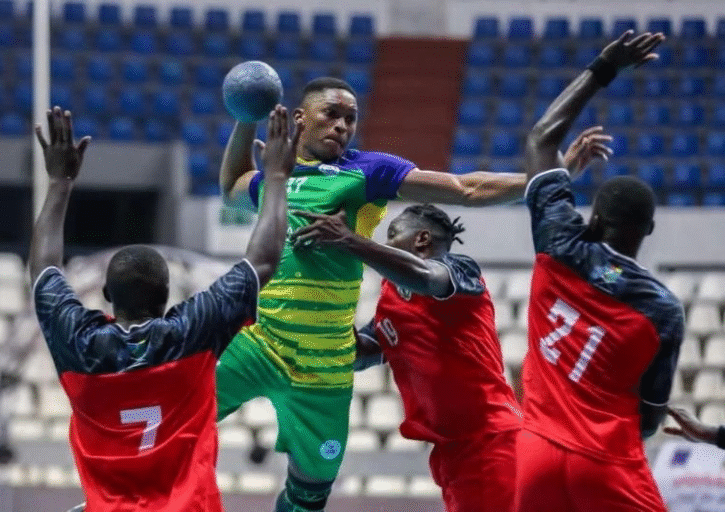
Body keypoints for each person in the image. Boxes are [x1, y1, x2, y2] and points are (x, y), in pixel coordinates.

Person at [217, 76, 599, 512]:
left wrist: (549, 176)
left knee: (308, 498)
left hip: (325, 366)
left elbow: (466, 189)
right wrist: (245, 120)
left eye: (351, 119)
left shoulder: (367, 170)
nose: (343, 126)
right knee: (174, 411)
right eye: (332, 115)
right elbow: (231, 185)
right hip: (260, 343)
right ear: (299, 119)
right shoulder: (276, 178)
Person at [30, 105, 300, 511]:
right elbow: (262, 261)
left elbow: (44, 270)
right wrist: (277, 177)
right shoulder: (192, 330)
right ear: (166, 296)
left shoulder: (78, 344)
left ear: (106, 294)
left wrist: (59, 182)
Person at [513, 30, 685, 512]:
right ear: (648, 229)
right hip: (607, 461)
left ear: (596, 217)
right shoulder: (662, 309)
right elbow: (650, 420)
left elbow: (541, 137)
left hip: (537, 452)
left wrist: (602, 68)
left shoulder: (559, 240)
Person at [289, 203, 524, 512]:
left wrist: (350, 240)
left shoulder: (460, 270)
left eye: (392, 234)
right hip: (451, 449)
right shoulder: (391, 297)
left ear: (421, 240)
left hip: (491, 439)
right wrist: (321, 306)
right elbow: (358, 354)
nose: (385, 244)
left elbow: (426, 278)